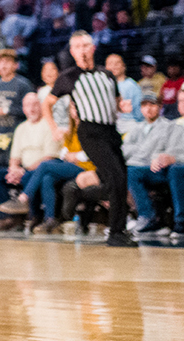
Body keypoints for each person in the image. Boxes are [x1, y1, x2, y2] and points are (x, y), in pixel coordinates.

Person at [47, 31, 133, 246]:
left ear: (92, 48)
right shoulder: (68, 77)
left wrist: (123, 106)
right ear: (72, 52)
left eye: (85, 45)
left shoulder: (107, 75)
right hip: (90, 132)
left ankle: (114, 225)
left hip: (111, 131)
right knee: (115, 178)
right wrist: (54, 127)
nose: (82, 50)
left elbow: (117, 101)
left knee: (119, 179)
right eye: (77, 47)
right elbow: (47, 104)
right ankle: (115, 232)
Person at [126, 88, 184, 240]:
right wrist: (157, 159)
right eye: (181, 101)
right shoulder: (172, 126)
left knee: (177, 170)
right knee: (133, 172)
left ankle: (181, 222)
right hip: (169, 170)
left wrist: (175, 159)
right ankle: (148, 216)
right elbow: (160, 149)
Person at [0, 92, 66, 228]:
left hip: (40, 168)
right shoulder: (21, 128)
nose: (32, 108)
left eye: (35, 104)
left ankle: (35, 216)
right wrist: (13, 170)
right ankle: (11, 216)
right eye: (28, 105)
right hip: (23, 169)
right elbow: (14, 157)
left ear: (41, 106)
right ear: (23, 109)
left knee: (29, 177)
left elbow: (49, 158)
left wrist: (23, 171)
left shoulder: (49, 125)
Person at [0, 49, 34, 134]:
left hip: (16, 133)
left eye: (7, 62)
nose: (3, 65)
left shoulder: (24, 85)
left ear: (16, 65)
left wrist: (5, 110)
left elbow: (31, 110)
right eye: (0, 62)